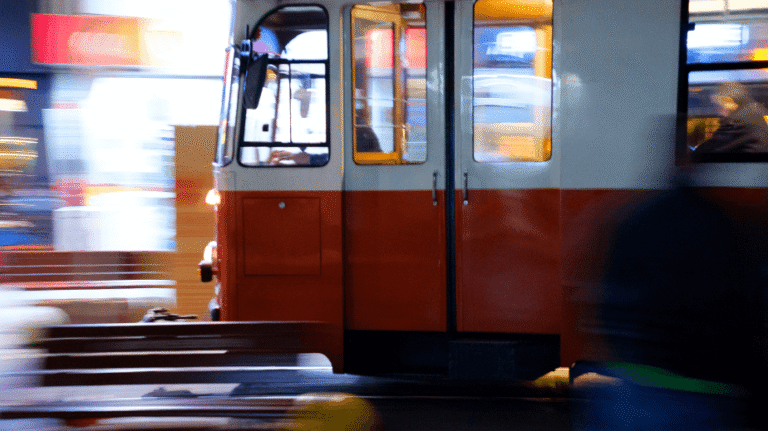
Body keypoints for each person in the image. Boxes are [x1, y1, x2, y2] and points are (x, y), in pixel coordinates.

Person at [572, 177, 768, 431]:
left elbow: (605, 305)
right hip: (706, 398)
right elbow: (745, 317)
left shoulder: (637, 218)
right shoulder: (722, 224)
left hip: (636, 393)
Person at [692, 82, 768, 153]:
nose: (716, 111)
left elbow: (709, 149)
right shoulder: (759, 110)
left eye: (716, 105)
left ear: (728, 101)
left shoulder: (736, 121)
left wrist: (694, 152)